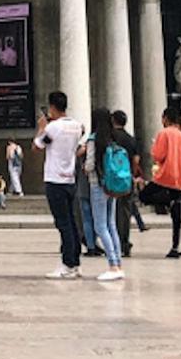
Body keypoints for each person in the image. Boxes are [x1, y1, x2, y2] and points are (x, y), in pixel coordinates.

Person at [34, 90, 86, 279]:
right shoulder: (77, 126)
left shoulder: (53, 128)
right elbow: (81, 138)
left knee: (63, 223)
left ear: (52, 107)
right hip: (70, 178)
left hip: (55, 179)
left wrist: (41, 127)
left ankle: (67, 264)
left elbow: (37, 146)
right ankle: (75, 261)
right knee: (71, 221)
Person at [140, 107, 181, 260]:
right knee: (176, 218)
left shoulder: (163, 133)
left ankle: (167, 202)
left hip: (165, 176)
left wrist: (153, 149)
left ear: (165, 118)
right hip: (180, 177)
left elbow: (158, 155)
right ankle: (175, 247)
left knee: (144, 196)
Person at [83, 107, 124, 281]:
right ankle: (118, 263)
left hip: (97, 185)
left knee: (100, 226)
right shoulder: (113, 138)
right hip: (111, 185)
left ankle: (112, 265)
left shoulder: (94, 139)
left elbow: (90, 165)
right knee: (111, 224)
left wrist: (84, 167)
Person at [110, 110, 143, 254]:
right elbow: (136, 159)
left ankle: (115, 241)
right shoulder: (131, 139)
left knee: (112, 211)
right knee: (125, 211)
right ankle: (124, 241)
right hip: (126, 178)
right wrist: (132, 173)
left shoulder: (111, 138)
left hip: (112, 179)